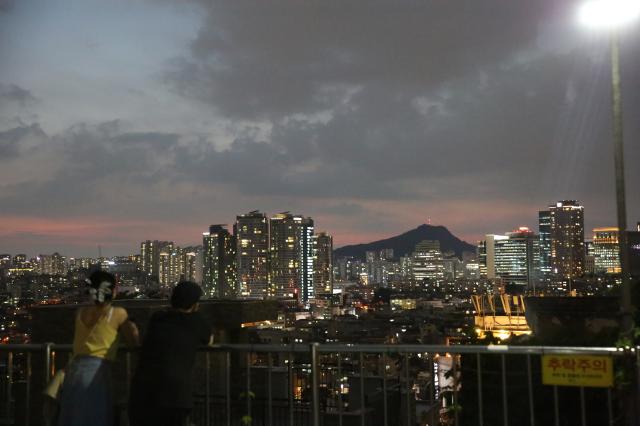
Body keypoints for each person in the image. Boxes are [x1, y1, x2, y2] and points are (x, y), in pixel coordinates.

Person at [58, 270, 139, 426]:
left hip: (73, 371)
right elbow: (133, 342)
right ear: (112, 291)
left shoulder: (80, 312)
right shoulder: (117, 313)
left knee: (74, 417)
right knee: (96, 417)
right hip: (96, 373)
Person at [129, 281, 212, 426]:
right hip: (175, 396)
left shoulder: (158, 318)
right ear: (194, 304)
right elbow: (209, 340)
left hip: (142, 392)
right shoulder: (197, 321)